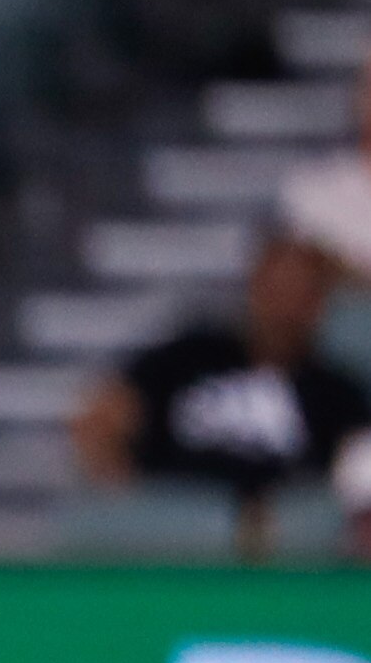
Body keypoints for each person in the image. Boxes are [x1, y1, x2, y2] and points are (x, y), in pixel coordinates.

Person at [73, 232, 370, 557]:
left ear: (320, 303)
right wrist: (113, 470)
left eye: (302, 293)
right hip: (169, 517)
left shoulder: (337, 392)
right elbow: (105, 410)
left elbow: (355, 474)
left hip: (278, 539)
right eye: (276, 288)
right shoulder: (192, 355)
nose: (286, 307)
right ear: (254, 286)